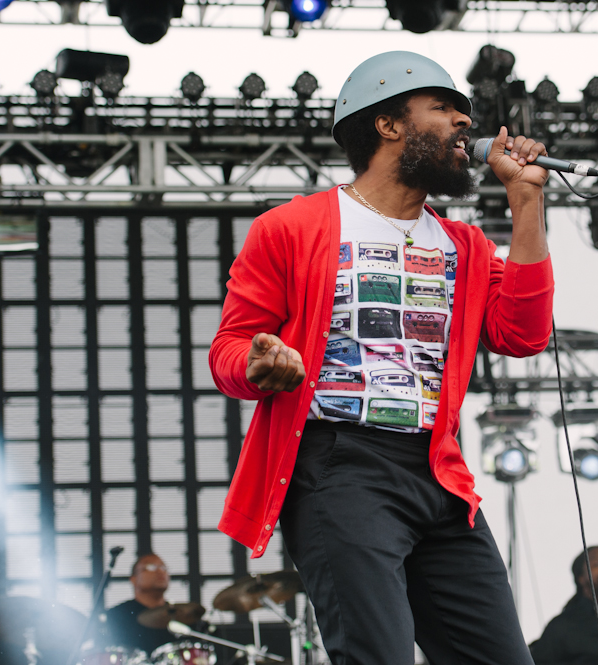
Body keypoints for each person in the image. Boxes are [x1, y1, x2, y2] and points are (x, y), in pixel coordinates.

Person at [209, 51, 554, 665]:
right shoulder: (292, 227)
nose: (464, 122)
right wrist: (261, 364)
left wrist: (526, 203)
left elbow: (522, 335)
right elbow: (230, 348)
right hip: (343, 466)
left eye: (463, 113)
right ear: (388, 125)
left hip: (440, 472)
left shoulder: (466, 245)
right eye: (442, 108)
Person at [103, 553, 176, 656]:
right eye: (151, 567)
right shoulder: (115, 616)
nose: (160, 571)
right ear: (133, 579)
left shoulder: (183, 615)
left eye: (164, 568)